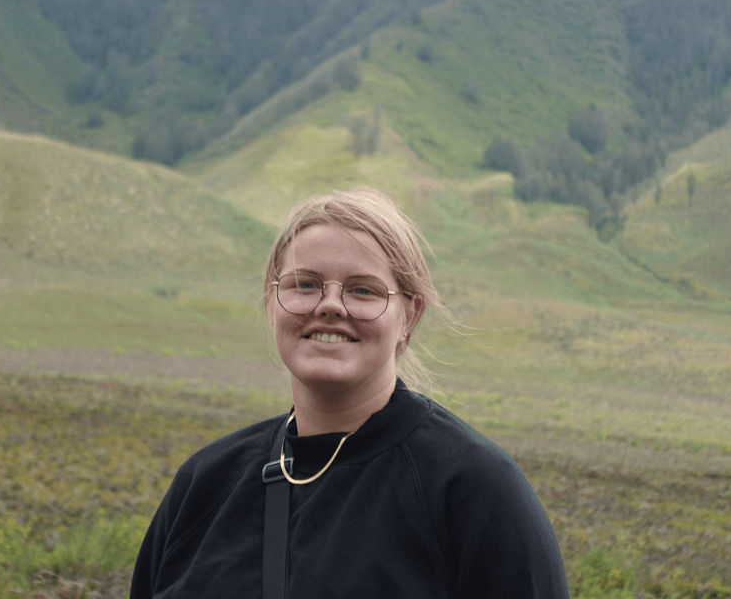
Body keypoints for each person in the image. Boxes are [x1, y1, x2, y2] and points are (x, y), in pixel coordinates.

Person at [130, 187, 568, 598]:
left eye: (363, 290)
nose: (330, 305)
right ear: (271, 302)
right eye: (305, 284)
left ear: (409, 317)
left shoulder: (475, 489)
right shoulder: (205, 483)